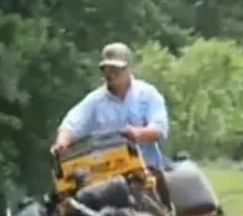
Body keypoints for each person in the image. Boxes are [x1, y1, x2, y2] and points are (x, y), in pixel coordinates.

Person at [51, 42, 170, 170]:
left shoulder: (148, 94)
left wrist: (137, 134)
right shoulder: (94, 101)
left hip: (148, 167)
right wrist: (62, 143)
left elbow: (159, 129)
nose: (110, 74)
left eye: (115, 69)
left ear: (129, 69)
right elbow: (72, 125)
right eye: (106, 69)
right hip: (107, 172)